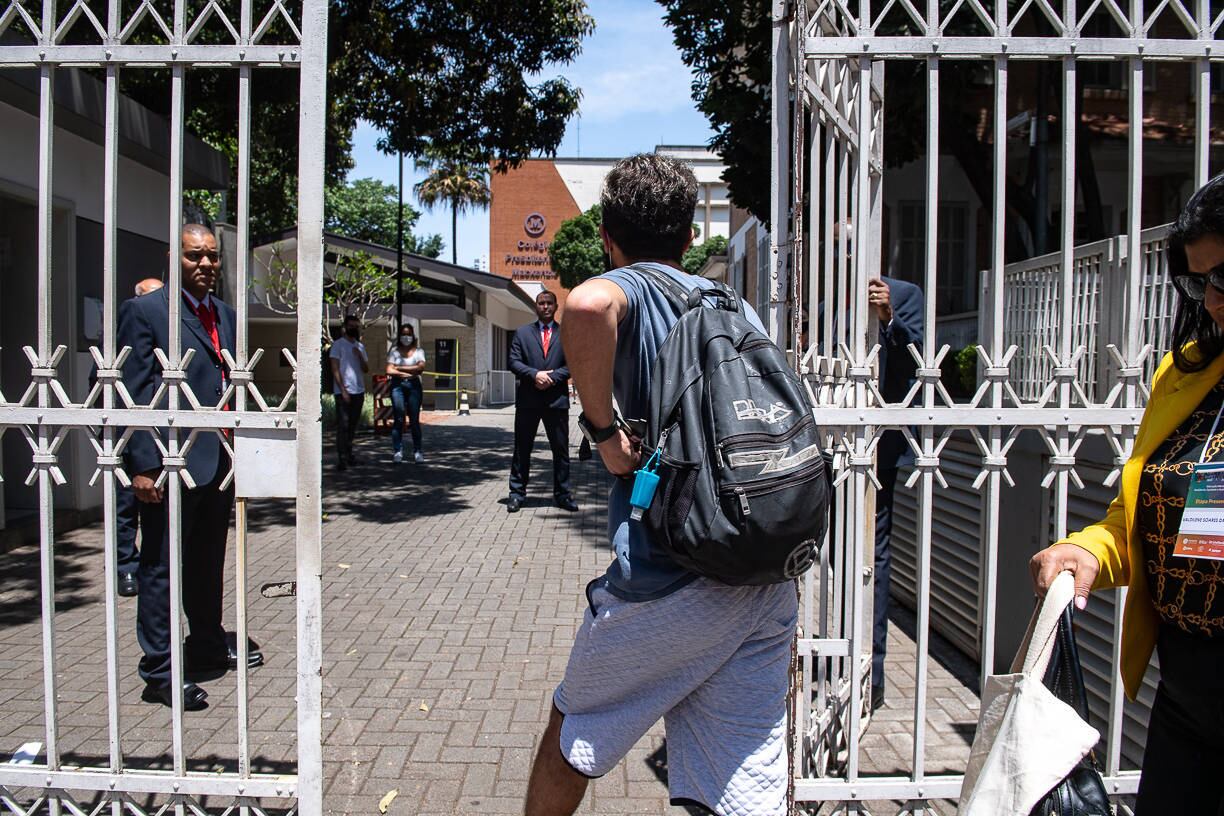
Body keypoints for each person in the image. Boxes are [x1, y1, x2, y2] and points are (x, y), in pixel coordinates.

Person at [523, 153, 794, 815]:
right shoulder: (737, 308)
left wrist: (603, 433)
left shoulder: (631, 287)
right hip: (765, 572)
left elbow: (586, 304)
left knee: (571, 736)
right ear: (687, 237)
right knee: (735, 780)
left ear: (610, 240)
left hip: (671, 577)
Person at [1029, 175, 1224, 814]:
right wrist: (1090, 550)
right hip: (1189, 685)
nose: (1213, 300)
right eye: (1199, 283)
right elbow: (1138, 514)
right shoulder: (1187, 374)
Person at [118, 224, 261, 712]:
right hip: (169, 463)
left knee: (207, 562)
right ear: (173, 257)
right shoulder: (146, 312)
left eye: (212, 257)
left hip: (218, 461)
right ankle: (159, 670)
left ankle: (204, 644)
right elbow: (135, 392)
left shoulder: (226, 315)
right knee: (160, 567)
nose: (205, 264)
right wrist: (141, 465)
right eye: (194, 255)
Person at [866, 273, 923, 712]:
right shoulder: (826, 298)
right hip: (825, 448)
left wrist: (890, 319)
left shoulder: (904, 294)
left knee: (875, 559)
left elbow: (920, 364)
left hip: (879, 448)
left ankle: (875, 677)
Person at [113, 277, 167, 598]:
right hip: (128, 434)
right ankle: (125, 565)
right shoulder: (130, 320)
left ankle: (147, 562)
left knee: (154, 511)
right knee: (125, 505)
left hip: (162, 434)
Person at [506, 291, 577, 513]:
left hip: (556, 401)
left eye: (549, 303)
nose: (545, 307)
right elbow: (513, 362)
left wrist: (551, 377)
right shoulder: (522, 333)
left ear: (556, 306)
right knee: (522, 449)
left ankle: (563, 495)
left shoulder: (567, 333)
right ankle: (517, 494)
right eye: (541, 303)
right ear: (535, 307)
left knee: (561, 451)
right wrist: (535, 374)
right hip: (528, 400)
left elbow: (574, 363)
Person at [329, 314, 369, 471]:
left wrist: (360, 357)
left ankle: (350, 453)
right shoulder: (338, 345)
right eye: (351, 326)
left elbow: (366, 369)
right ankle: (341, 458)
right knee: (343, 425)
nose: (354, 329)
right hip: (343, 391)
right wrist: (343, 389)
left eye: (356, 326)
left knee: (353, 425)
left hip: (358, 390)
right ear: (345, 327)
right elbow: (334, 368)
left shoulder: (360, 346)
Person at [386, 322, 426, 463]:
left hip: (414, 386)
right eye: (404, 334)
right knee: (398, 418)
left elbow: (420, 368)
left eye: (408, 334)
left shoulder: (419, 351)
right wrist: (408, 371)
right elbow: (389, 370)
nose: (406, 337)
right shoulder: (395, 352)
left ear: (413, 336)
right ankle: (397, 451)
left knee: (414, 420)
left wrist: (400, 368)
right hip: (397, 386)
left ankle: (417, 451)